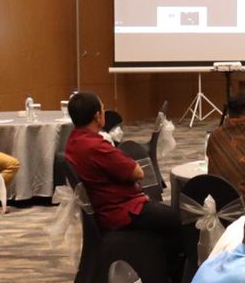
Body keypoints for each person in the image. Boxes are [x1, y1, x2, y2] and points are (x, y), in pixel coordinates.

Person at [63, 91, 181, 272]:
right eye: (103, 109)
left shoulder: (74, 141)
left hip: (106, 206)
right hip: (121, 211)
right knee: (179, 219)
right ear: (97, 116)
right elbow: (138, 173)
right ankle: (173, 275)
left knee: (167, 215)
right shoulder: (96, 147)